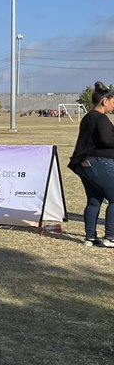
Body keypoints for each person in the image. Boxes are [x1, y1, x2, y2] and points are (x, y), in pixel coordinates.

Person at [68, 82, 114, 248]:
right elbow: (107, 140)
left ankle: (90, 237)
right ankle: (110, 237)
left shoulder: (88, 117)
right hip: (98, 162)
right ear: (104, 101)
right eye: (113, 102)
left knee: (94, 201)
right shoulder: (100, 118)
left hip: (85, 164)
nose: (113, 106)